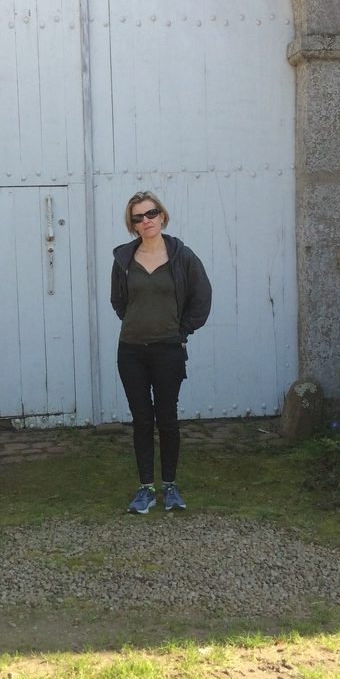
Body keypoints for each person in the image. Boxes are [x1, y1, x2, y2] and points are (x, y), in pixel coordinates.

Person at [110, 191, 212, 514]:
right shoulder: (123, 261)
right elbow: (118, 302)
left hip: (168, 350)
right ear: (133, 225)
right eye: (138, 217)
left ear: (162, 216)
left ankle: (170, 486)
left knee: (167, 419)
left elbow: (202, 297)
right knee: (142, 420)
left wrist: (181, 331)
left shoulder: (182, 256)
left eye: (151, 213)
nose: (146, 221)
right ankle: (146, 489)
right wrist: (139, 322)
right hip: (131, 352)